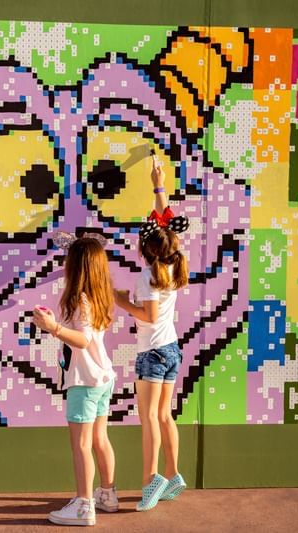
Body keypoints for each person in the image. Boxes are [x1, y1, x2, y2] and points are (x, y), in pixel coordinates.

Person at [114, 157, 189, 511]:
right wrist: (158, 185)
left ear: (145, 250)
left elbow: (148, 314)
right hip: (171, 348)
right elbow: (169, 224)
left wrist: (119, 300)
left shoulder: (147, 277)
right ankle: (173, 475)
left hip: (153, 352)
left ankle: (150, 481)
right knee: (164, 416)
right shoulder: (175, 261)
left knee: (149, 421)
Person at [33, 234, 119, 526]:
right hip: (102, 377)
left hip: (84, 381)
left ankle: (84, 506)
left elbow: (82, 340)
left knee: (81, 445)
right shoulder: (99, 296)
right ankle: (106, 495)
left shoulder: (81, 299)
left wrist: (53, 327)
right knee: (99, 439)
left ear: (76, 266)